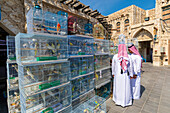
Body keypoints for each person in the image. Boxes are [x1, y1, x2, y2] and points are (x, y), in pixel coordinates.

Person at [112, 35, 133, 107]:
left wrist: (113, 73)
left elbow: (113, 67)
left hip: (119, 75)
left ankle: (119, 100)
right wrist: (131, 74)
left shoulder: (115, 56)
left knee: (119, 87)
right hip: (124, 75)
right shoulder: (128, 57)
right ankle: (124, 101)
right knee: (124, 87)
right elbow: (130, 67)